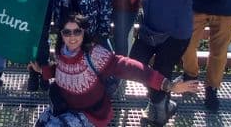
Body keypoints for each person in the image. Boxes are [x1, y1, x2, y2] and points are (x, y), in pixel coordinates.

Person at [28, 14, 200, 127]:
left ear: (84, 33)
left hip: (90, 113)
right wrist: (42, 71)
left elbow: (131, 68)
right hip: (65, 107)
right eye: (67, 32)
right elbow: (60, 70)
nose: (72, 37)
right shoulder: (62, 52)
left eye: (77, 31)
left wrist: (168, 85)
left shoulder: (95, 54)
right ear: (62, 34)